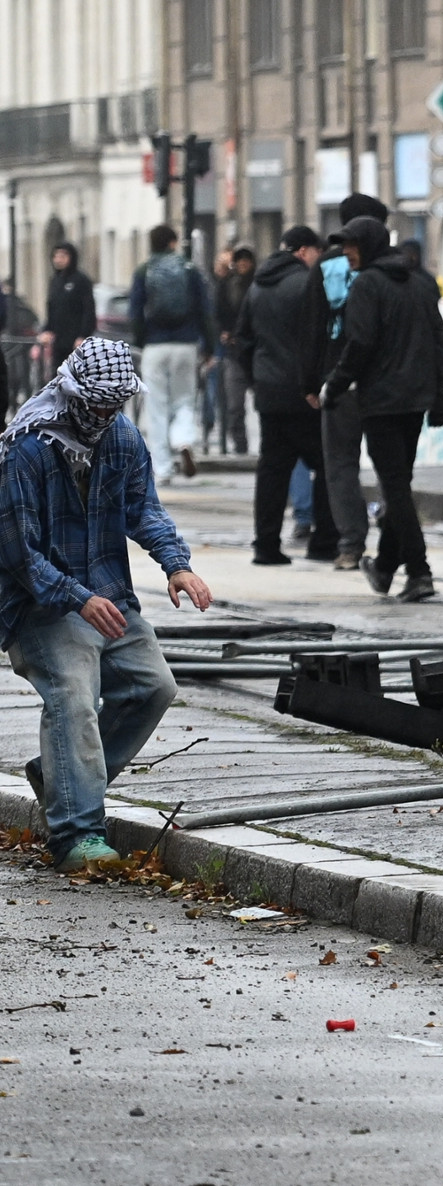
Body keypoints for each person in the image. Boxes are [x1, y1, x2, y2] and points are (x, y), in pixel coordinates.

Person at [0, 338, 213, 871]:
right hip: (42, 605)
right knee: (73, 695)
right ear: (72, 393)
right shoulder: (27, 448)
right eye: (96, 406)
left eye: (114, 406)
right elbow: (20, 554)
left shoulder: (121, 437)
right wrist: (78, 598)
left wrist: (177, 565)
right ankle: (77, 834)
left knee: (153, 686)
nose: (104, 416)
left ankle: (58, 778)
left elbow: (143, 508)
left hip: (108, 593)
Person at [319, 217, 443, 603]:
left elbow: (359, 344)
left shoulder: (367, 286)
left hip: (381, 402)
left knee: (395, 488)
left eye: (351, 245)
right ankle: (384, 567)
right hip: (414, 401)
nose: (346, 253)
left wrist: (334, 386)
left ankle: (419, 571)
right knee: (398, 485)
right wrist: (441, 400)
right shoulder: (421, 283)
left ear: (369, 246)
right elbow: (440, 344)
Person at [234, 226, 337, 566]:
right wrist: (316, 384)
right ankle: (324, 541)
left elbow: (242, 341)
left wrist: (256, 379)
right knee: (326, 465)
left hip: (269, 393)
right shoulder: (308, 284)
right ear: (305, 251)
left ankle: (266, 545)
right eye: (317, 252)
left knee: (272, 471)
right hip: (304, 395)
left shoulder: (256, 286)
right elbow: (318, 337)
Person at [320, 192, 389, 570]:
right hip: (383, 382)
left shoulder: (325, 266)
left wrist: (313, 382)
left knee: (341, 464)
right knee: (390, 465)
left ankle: (350, 543)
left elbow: (312, 324)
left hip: (338, 380)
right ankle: (392, 528)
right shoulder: (398, 270)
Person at [128, 225, 214, 482]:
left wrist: (142, 340)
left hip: (155, 345)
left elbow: (135, 311)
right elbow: (205, 310)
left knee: (156, 407)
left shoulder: (144, 270)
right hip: (186, 344)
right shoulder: (189, 269)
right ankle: (183, 440)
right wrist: (208, 346)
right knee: (185, 399)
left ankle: (163, 468)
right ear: (173, 243)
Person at [211, 246, 256, 456]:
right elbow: (218, 314)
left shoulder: (258, 285)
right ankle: (240, 445)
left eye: (247, 260)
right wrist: (224, 332)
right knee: (234, 405)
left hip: (255, 351)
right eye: (240, 260)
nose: (243, 264)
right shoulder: (226, 285)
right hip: (234, 351)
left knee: (263, 403)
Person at [40, 243, 96, 368]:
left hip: (76, 340)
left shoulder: (81, 280)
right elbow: (52, 309)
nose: (58, 260)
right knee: (59, 372)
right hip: (59, 341)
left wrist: (83, 335)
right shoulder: (55, 281)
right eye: (56, 256)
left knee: (77, 373)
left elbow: (88, 310)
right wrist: (47, 330)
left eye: (62, 256)